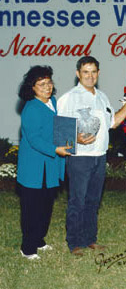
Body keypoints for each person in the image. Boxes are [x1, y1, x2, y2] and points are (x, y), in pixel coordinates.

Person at [57, 56, 126, 256]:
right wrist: (75, 138)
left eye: (93, 71)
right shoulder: (69, 97)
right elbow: (60, 131)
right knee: (78, 200)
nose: (90, 76)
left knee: (93, 200)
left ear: (98, 73)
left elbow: (112, 122)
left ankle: (89, 239)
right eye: (85, 72)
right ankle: (74, 242)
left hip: (100, 156)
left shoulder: (102, 97)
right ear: (78, 74)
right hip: (80, 158)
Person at [17, 66, 71, 260]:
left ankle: (39, 239)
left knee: (46, 205)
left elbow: (61, 127)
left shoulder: (54, 102)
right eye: (41, 84)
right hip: (34, 167)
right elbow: (34, 139)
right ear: (32, 88)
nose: (47, 87)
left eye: (49, 83)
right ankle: (28, 247)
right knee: (32, 208)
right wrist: (56, 149)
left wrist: (70, 140)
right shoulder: (31, 108)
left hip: (50, 166)